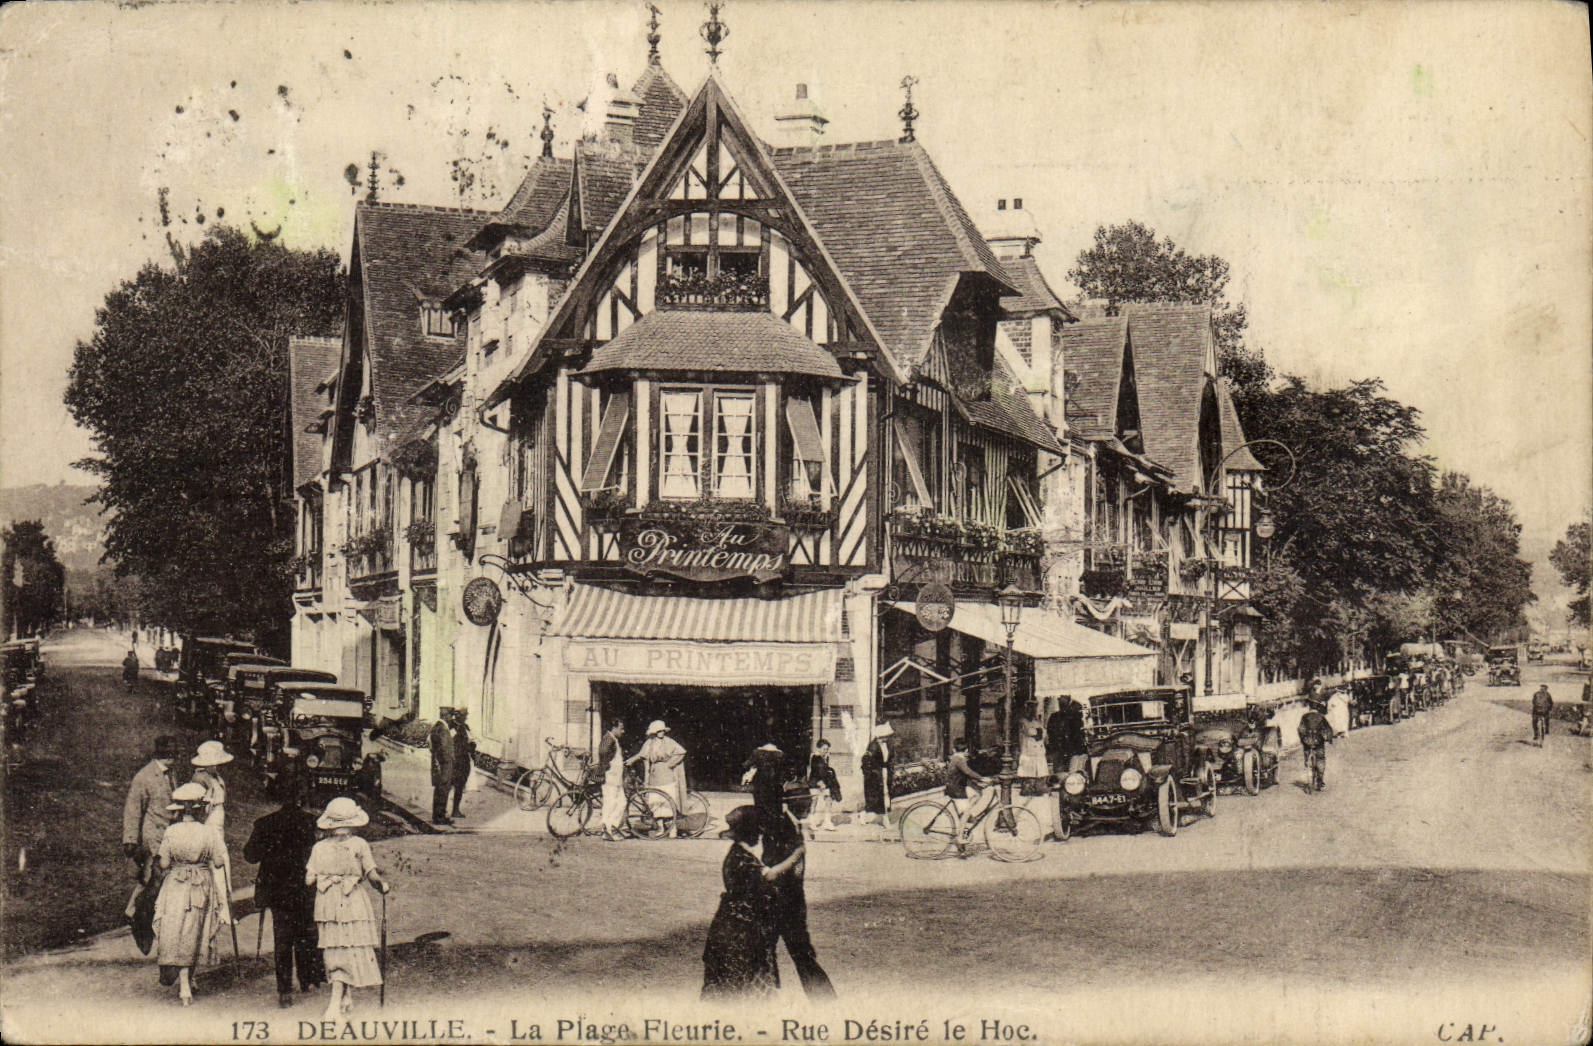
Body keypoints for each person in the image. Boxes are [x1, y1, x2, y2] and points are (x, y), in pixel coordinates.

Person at [745, 754, 835, 999]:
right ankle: (824, 1001)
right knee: (796, 956)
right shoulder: (790, 828)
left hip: (783, 902)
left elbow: (774, 867)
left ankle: (766, 1001)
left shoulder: (786, 827)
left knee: (766, 953)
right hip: (789, 903)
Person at [701, 806, 803, 998]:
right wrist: (797, 854)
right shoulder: (741, 859)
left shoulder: (741, 853)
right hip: (741, 934)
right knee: (742, 989)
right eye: (758, 830)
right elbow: (769, 877)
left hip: (736, 929)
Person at [243, 774, 326, 1008]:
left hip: (276, 889)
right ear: (300, 796)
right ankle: (306, 979)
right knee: (304, 932)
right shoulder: (310, 822)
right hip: (304, 887)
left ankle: (284, 991)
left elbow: (250, 855)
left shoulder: (265, 823)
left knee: (282, 937)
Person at [305, 797, 389, 1019]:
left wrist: (325, 873)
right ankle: (339, 999)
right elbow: (371, 874)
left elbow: (308, 880)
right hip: (349, 900)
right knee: (344, 947)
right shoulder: (358, 844)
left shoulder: (319, 847)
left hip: (331, 901)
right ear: (352, 822)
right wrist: (381, 885)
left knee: (339, 947)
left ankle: (340, 998)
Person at [152, 782, 226, 1006]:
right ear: (201, 808)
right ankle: (187, 981)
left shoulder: (171, 831)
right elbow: (219, 862)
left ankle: (185, 981)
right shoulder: (208, 832)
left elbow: (164, 863)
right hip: (200, 884)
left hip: (176, 884)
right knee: (194, 928)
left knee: (176, 928)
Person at [123, 735, 179, 953]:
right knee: (153, 876)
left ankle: (133, 912)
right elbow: (133, 810)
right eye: (170, 753)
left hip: (168, 834)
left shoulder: (172, 773)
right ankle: (136, 914)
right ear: (160, 753)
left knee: (155, 878)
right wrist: (130, 840)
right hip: (153, 836)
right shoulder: (144, 777)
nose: (174, 756)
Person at [190, 740, 237, 928]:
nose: (217, 765)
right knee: (217, 864)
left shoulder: (215, 776)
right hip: (209, 826)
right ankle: (220, 912)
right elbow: (199, 808)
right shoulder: (200, 779)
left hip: (218, 825)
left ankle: (223, 909)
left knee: (222, 865)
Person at [628, 720, 687, 837]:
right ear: (654, 732)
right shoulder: (649, 743)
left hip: (666, 774)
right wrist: (629, 761)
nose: (661, 733)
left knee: (668, 802)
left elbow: (681, 752)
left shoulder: (669, 742)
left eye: (663, 731)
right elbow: (641, 755)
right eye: (659, 731)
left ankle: (672, 828)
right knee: (656, 804)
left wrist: (671, 763)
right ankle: (661, 828)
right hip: (654, 775)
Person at [944, 737, 991, 834]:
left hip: (955, 787)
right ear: (966, 750)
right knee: (967, 812)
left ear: (953, 749)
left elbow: (965, 775)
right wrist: (982, 778)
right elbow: (968, 772)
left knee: (977, 794)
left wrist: (978, 782)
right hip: (956, 789)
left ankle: (969, 820)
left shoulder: (955, 758)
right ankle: (960, 837)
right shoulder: (959, 759)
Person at [595, 719, 627, 842]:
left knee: (620, 802)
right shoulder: (608, 738)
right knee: (612, 803)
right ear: (614, 728)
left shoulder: (613, 739)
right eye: (621, 728)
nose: (622, 731)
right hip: (610, 777)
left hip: (616, 778)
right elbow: (603, 752)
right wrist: (606, 767)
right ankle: (609, 829)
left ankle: (609, 828)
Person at [860, 723, 893, 826]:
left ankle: (882, 817)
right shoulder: (873, 746)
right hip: (875, 776)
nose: (886, 738)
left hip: (884, 772)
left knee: (884, 796)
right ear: (880, 736)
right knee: (876, 798)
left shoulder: (886, 745)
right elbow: (865, 761)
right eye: (885, 736)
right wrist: (870, 774)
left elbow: (889, 758)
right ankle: (883, 819)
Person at [805, 739, 841, 832]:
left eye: (827, 749)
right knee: (814, 801)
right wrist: (821, 783)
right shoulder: (815, 757)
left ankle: (827, 822)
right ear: (819, 748)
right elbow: (816, 771)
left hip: (824, 783)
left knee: (828, 800)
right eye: (824, 749)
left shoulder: (824, 758)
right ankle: (812, 822)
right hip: (815, 782)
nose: (826, 751)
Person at [1297, 700, 1333, 791]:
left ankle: (1307, 764)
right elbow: (1328, 729)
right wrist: (1329, 738)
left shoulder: (1304, 717)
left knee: (1307, 755)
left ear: (1309, 708)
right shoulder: (1321, 717)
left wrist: (1303, 738)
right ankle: (1320, 782)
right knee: (1320, 759)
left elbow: (1301, 729)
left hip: (1307, 742)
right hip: (1318, 742)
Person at [1048, 696, 1088, 774]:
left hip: (1073, 750)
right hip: (1060, 750)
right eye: (1059, 699)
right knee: (1060, 774)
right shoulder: (1055, 717)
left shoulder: (1076, 718)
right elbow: (1051, 733)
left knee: (1073, 773)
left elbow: (1078, 733)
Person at [429, 709, 456, 826]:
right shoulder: (443, 730)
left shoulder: (436, 727)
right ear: (447, 716)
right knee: (443, 790)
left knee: (439, 791)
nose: (452, 719)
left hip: (437, 765)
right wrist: (450, 761)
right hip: (444, 766)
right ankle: (440, 817)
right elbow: (445, 750)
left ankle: (437, 816)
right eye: (451, 716)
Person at [449, 708, 476, 820]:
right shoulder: (451, 726)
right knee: (448, 786)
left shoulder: (466, 727)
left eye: (466, 715)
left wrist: (472, 746)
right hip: (454, 760)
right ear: (457, 715)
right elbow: (449, 742)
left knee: (460, 786)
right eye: (464, 715)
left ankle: (455, 810)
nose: (465, 717)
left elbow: (472, 741)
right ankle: (440, 810)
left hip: (464, 761)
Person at [1017, 719, 1048, 796]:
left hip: (1038, 751)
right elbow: (1030, 731)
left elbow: (1043, 733)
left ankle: (1037, 788)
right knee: (1028, 771)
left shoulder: (1037, 722)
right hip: (1028, 750)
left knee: (1039, 771)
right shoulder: (1023, 722)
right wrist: (1038, 731)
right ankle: (1028, 788)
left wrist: (1039, 731)